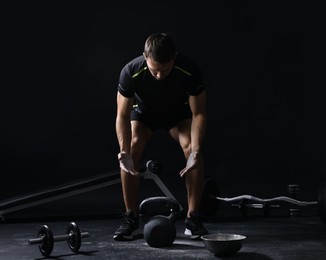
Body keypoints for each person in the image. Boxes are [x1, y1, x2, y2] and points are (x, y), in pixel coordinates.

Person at [114, 32, 208, 241]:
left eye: (165, 70)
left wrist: (197, 151)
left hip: (177, 115)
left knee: (192, 148)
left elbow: (198, 113)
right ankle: (131, 219)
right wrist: (123, 150)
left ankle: (193, 219)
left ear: (174, 57)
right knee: (132, 148)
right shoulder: (130, 72)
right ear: (145, 57)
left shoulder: (189, 70)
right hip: (145, 114)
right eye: (154, 70)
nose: (159, 75)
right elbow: (121, 115)